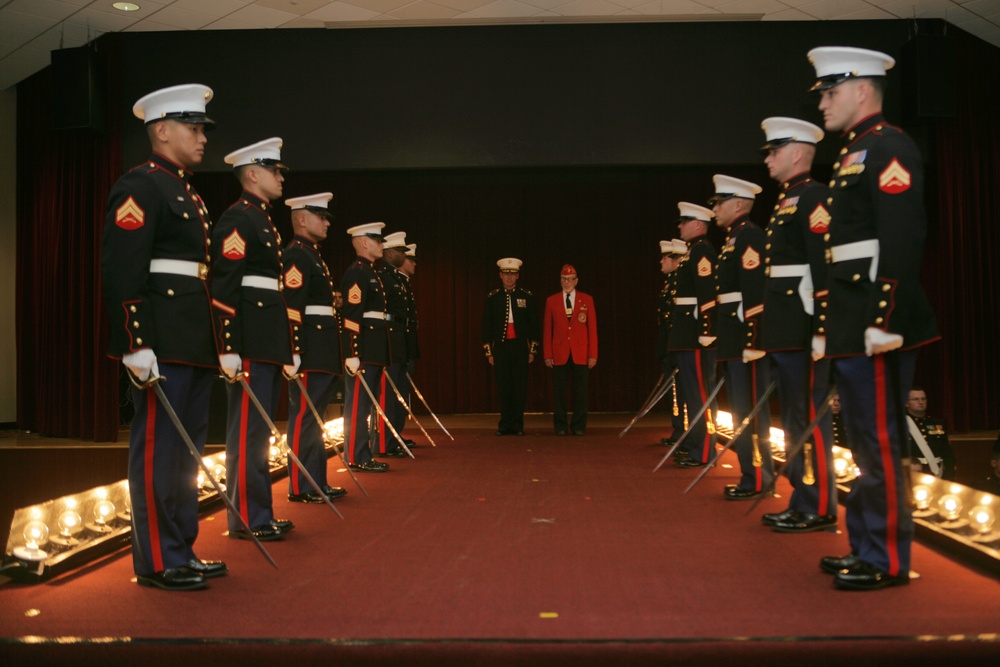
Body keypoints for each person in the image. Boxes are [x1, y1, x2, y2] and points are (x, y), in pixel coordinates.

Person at [808, 46, 939, 591]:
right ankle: (864, 542)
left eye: (829, 92)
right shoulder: (852, 153)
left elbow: (902, 238)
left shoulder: (890, 146)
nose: (822, 104)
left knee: (881, 441)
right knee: (862, 441)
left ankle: (886, 557)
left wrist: (884, 317)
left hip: (875, 320)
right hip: (852, 318)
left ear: (862, 89)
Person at [101, 84, 225, 591]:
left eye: (202, 129)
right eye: (193, 128)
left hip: (192, 341)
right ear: (161, 130)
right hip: (161, 342)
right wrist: (136, 341)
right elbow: (123, 269)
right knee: (158, 452)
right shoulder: (141, 187)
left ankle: (182, 549)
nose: (201, 138)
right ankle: (155, 559)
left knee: (186, 455)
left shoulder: (187, 192)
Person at [212, 137, 296, 542]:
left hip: (265, 341)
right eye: (274, 170)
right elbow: (225, 287)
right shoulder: (238, 220)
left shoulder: (261, 219)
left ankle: (259, 511)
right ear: (251, 174)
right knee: (247, 433)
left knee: (259, 433)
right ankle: (247, 516)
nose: (280, 177)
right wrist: (228, 347)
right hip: (248, 343)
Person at [756, 117, 838, 532]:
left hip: (804, 329)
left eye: (774, 151)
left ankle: (819, 504)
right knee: (793, 418)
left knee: (809, 415)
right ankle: (803, 497)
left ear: (797, 153)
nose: (768, 159)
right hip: (787, 330)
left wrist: (822, 329)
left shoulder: (813, 198)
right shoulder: (788, 199)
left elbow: (822, 268)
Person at [709, 175, 774, 500]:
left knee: (750, 411)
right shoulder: (733, 240)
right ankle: (751, 474)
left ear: (737, 204)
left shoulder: (749, 237)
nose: (715, 209)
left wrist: (753, 341)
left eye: (719, 203)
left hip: (745, 341)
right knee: (739, 410)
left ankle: (759, 476)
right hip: (733, 339)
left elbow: (755, 295)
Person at [281, 192, 348, 503]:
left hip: (322, 348)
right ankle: (300, 485)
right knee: (305, 418)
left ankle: (317, 480)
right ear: (303, 219)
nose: (326, 223)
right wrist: (294, 350)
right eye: (321, 217)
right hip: (309, 349)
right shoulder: (296, 253)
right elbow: (292, 306)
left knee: (316, 420)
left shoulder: (312, 253)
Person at [668, 203, 719, 469]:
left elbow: (707, 295)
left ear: (698, 224)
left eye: (684, 221)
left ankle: (706, 449)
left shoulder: (703, 252)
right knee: (693, 395)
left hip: (697, 336)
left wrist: (706, 332)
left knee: (701, 396)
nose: (680, 225)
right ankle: (697, 444)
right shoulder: (691, 252)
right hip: (687, 336)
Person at [340, 222, 392, 472]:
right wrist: (352, 352)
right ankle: (355, 455)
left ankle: (364, 452)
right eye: (376, 240)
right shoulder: (357, 272)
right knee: (358, 406)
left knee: (366, 406)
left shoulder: (370, 272)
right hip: (364, 350)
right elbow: (352, 314)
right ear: (363, 242)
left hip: (374, 349)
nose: (382, 244)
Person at [483, 258, 540, 436]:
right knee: (504, 387)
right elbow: (486, 326)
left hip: (520, 348)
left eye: (513, 274)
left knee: (519, 387)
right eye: (506, 275)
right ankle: (504, 424)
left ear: (517, 276)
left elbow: (534, 326)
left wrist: (533, 350)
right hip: (500, 348)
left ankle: (518, 425)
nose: (509, 278)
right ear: (500, 275)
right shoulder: (492, 298)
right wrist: (489, 352)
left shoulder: (526, 296)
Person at [543, 264, 598, 435]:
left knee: (580, 392)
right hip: (559, 353)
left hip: (580, 353)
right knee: (559, 393)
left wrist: (593, 354)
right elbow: (547, 330)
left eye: (569, 279)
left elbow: (592, 329)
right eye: (563, 279)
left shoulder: (586, 299)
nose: (566, 282)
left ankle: (578, 426)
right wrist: (548, 354)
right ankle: (560, 426)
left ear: (576, 281)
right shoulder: (551, 301)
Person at [372, 231, 412, 458]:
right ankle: (385, 442)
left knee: (398, 394)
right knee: (388, 395)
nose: (403, 255)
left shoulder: (396, 278)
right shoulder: (382, 277)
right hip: (389, 340)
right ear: (388, 253)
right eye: (400, 251)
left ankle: (394, 438)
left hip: (399, 341)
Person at [657, 239, 688, 446]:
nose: (661, 262)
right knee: (675, 391)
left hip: (678, 345)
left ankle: (684, 431)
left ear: (674, 259)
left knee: (682, 390)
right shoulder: (669, 283)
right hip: (670, 344)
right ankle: (678, 429)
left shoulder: (680, 282)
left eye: (664, 258)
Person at [905, 387, 956, 480]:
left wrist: (950, 475)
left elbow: (947, 451)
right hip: (912, 474)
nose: (920, 402)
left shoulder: (937, 423)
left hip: (936, 473)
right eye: (916, 399)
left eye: (923, 399)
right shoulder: (900, 425)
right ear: (906, 403)